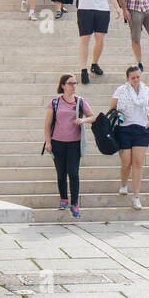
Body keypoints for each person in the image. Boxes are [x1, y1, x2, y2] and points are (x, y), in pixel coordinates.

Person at [43, 73, 94, 218]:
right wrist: (48, 142)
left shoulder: (80, 101)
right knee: (61, 173)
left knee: (73, 173)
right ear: (63, 85)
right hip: (57, 142)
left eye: (75, 83)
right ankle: (64, 199)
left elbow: (93, 116)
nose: (73, 86)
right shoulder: (54, 102)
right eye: (70, 83)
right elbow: (47, 124)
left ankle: (75, 204)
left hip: (74, 143)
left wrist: (83, 121)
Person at [110, 66, 149, 210]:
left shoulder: (146, 90)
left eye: (138, 77)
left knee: (138, 163)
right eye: (133, 77)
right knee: (126, 162)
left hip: (142, 129)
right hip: (124, 129)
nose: (136, 80)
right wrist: (121, 116)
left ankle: (136, 196)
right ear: (127, 78)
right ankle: (123, 184)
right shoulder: (120, 90)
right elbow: (112, 110)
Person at [74, 0, 117, 84]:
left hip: (102, 8)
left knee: (100, 38)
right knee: (85, 38)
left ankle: (94, 63)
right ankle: (83, 69)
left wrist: (117, 7)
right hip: (85, 7)